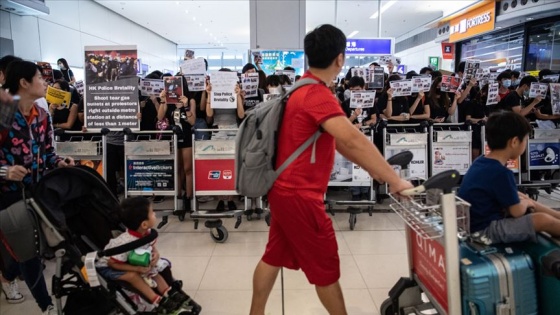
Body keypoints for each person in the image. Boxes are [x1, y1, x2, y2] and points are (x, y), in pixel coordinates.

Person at [249, 24, 412, 315]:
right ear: (340, 59)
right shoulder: (316, 95)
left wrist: (380, 174)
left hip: (283, 190)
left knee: (273, 256)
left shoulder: (301, 88)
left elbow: (341, 143)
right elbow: (352, 138)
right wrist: (394, 179)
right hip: (300, 196)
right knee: (326, 268)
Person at [0, 60, 75, 315]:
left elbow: (46, 153)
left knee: (32, 247)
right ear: (23, 83)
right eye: (40, 78)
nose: (46, 83)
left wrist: (60, 162)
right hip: (6, 196)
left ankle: (7, 275)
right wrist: (5, 171)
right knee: (28, 250)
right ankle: (47, 306)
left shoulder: (41, 115)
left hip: (35, 192)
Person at [458, 111, 560, 244]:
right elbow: (516, 212)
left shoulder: (481, 161)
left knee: (523, 198)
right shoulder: (501, 173)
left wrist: (525, 201)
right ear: (515, 141)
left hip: (472, 224)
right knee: (541, 220)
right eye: (525, 139)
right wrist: (526, 203)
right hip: (485, 230)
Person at [96, 197, 188, 312]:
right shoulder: (125, 244)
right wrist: (136, 268)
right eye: (152, 212)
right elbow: (112, 263)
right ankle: (157, 301)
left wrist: (156, 254)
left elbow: (151, 246)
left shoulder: (147, 233)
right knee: (133, 276)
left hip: (127, 260)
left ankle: (169, 292)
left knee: (153, 269)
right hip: (108, 267)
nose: (155, 214)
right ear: (144, 224)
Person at [205, 68, 245, 211]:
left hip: (233, 130)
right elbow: (209, 114)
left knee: (232, 166)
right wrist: (209, 94)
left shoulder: (236, 91)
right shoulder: (213, 92)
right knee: (218, 165)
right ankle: (221, 198)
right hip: (218, 131)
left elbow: (241, 115)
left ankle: (232, 197)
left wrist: (238, 95)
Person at [157, 76, 196, 212]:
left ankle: (189, 198)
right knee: (177, 168)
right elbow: (160, 117)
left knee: (188, 168)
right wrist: (162, 100)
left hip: (186, 136)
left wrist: (185, 106)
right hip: (172, 136)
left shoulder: (189, 100)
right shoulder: (168, 100)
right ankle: (178, 197)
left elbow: (192, 122)